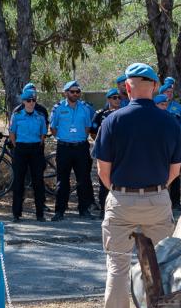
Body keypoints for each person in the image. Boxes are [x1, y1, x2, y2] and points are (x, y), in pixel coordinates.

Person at [94, 63, 181, 308]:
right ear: (155, 87)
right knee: (163, 267)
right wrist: (157, 189)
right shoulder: (169, 121)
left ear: (127, 87)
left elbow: (102, 170)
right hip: (157, 199)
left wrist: (120, 192)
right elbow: (175, 170)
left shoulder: (113, 120)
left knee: (117, 267)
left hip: (122, 200)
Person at [49, 79, 97, 221]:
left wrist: (78, 138)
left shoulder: (85, 108)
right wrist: (65, 138)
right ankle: (59, 211)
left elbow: (87, 127)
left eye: (78, 92)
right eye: (72, 91)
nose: (76, 94)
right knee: (62, 181)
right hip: (64, 148)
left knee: (83, 179)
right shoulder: (58, 108)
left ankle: (84, 210)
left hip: (81, 147)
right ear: (66, 93)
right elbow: (53, 128)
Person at [7, 83, 49, 222]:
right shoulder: (17, 115)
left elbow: (43, 134)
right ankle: (16, 214)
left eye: (33, 100)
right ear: (23, 101)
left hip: (36, 149)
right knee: (18, 181)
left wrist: (37, 144)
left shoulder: (40, 116)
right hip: (21, 149)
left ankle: (39, 214)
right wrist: (17, 146)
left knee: (38, 181)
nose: (31, 103)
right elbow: (12, 133)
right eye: (28, 100)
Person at [91, 88, 124, 210]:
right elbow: (93, 132)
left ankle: (119, 206)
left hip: (121, 151)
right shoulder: (100, 114)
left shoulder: (125, 113)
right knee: (104, 179)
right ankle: (103, 208)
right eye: (114, 98)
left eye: (119, 98)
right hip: (106, 151)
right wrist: (102, 143)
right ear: (108, 99)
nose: (117, 100)